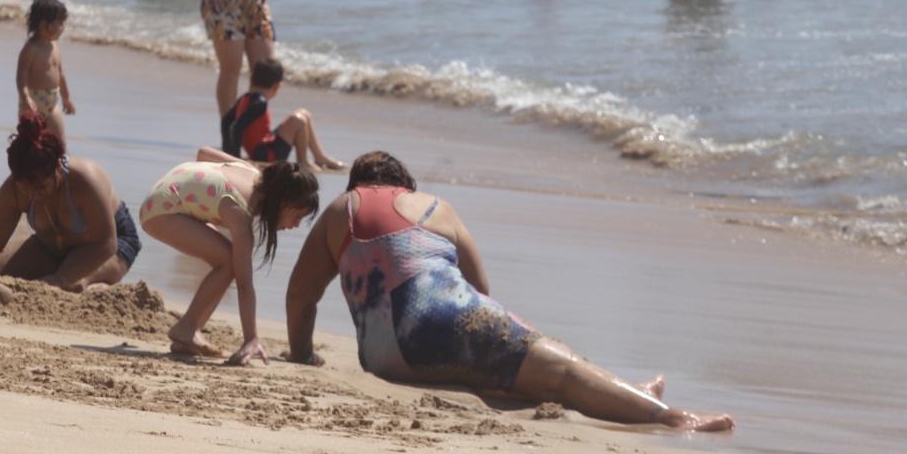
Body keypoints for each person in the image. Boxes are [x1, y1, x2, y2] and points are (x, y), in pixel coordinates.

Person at [282, 152, 733, 431]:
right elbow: (480, 290)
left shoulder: (342, 210)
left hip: (386, 359)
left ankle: (632, 393)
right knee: (558, 366)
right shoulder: (435, 207)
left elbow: (301, 296)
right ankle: (669, 416)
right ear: (404, 185)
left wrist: (302, 355)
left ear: (357, 184)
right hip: (436, 318)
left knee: (523, 377)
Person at [139, 151, 319, 362]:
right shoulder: (240, 211)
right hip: (160, 211)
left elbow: (203, 152)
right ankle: (187, 328)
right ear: (281, 203)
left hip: (163, 194)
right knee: (228, 262)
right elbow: (244, 285)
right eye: (297, 216)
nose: (296, 225)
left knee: (227, 259)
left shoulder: (251, 171)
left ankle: (189, 332)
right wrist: (251, 338)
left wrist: (199, 188)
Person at [0, 115, 141, 292]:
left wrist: (59, 279)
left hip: (107, 244)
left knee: (73, 286)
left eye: (41, 187)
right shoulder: (13, 191)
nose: (34, 195)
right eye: (26, 188)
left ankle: (98, 285)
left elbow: (106, 244)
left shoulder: (85, 181)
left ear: (58, 168)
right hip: (50, 246)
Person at [221, 58, 344, 170]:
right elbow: (237, 127)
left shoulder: (244, 99)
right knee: (298, 120)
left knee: (303, 113)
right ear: (276, 86)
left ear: (251, 79)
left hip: (263, 147)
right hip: (266, 154)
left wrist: (228, 153)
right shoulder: (260, 103)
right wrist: (236, 159)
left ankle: (319, 156)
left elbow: (226, 122)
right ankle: (303, 162)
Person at [17, 0, 76, 141]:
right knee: (31, 144)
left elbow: (60, 74)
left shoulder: (54, 46)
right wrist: (25, 97)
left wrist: (66, 98)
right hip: (32, 103)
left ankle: (60, 156)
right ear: (44, 25)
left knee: (59, 143)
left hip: (52, 103)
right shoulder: (31, 48)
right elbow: (21, 76)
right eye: (60, 23)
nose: (63, 28)